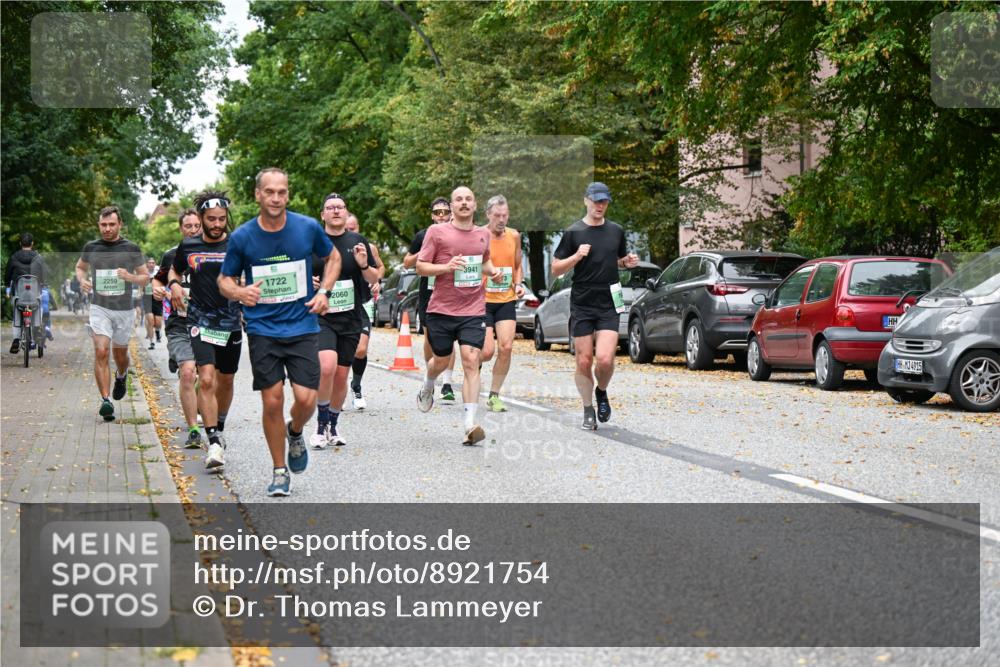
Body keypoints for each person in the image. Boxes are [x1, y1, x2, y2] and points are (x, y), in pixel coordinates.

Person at [219, 168, 339, 496]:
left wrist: (324, 291)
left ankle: (296, 431)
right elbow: (224, 279)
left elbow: (334, 257)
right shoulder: (243, 237)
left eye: (282, 192)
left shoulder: (307, 228)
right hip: (263, 330)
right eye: (269, 192)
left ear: (288, 194)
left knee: (306, 399)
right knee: (272, 401)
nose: (276, 198)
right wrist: (239, 293)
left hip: (302, 325)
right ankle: (279, 470)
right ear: (257, 194)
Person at [415, 186, 503, 445]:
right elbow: (421, 267)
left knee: (471, 359)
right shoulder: (436, 232)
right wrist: (446, 267)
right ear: (451, 206)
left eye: (468, 199)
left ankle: (469, 423)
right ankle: (428, 383)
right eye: (458, 199)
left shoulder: (483, 234)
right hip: (441, 309)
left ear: (475, 206)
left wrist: (493, 271)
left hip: (473, 309)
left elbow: (484, 261)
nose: (464, 203)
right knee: (440, 361)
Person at [551, 182, 638, 430]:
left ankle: (601, 391)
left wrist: (627, 262)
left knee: (605, 359)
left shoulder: (616, 231)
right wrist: (577, 256)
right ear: (586, 201)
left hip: (610, 300)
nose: (600, 205)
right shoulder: (573, 232)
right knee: (583, 360)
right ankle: (588, 409)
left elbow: (618, 260)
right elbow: (556, 268)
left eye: (604, 201)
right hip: (583, 301)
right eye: (596, 201)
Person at [171, 192, 244, 470]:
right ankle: (213, 441)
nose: (217, 224)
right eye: (211, 219)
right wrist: (175, 285)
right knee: (207, 377)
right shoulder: (188, 246)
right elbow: (174, 272)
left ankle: (220, 426)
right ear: (201, 219)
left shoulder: (237, 245)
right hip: (199, 320)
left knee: (226, 381)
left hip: (230, 321)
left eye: (221, 219)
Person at [311, 196, 381, 447]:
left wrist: (364, 265)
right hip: (323, 316)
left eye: (339, 207)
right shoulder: (313, 241)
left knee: (341, 376)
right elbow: (300, 274)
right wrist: (311, 283)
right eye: (330, 208)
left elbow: (373, 276)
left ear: (346, 212)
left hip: (351, 316)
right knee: (326, 367)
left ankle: (333, 425)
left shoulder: (357, 241)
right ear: (323, 215)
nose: (335, 211)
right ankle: (319, 427)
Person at [75, 205, 149, 421]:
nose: (107, 229)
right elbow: (80, 267)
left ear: (120, 225)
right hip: (99, 307)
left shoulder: (131, 248)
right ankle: (106, 401)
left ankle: (122, 374)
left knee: (120, 355)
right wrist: (82, 281)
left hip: (124, 309)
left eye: (111, 224)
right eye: (103, 225)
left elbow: (145, 277)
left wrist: (129, 277)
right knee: (101, 351)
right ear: (99, 225)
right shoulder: (91, 247)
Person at [152, 208, 202, 448]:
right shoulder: (171, 255)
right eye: (188, 226)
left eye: (196, 226)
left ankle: (205, 410)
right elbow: (158, 279)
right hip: (179, 323)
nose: (192, 230)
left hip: (209, 323)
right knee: (188, 372)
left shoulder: (213, 253)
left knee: (207, 375)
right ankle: (193, 428)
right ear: (181, 229)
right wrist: (158, 288)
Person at [403, 197, 459, 401]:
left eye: (445, 212)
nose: (442, 216)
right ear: (432, 215)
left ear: (451, 213)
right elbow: (407, 262)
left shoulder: (459, 234)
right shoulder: (423, 235)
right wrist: (425, 250)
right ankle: (431, 375)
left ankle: (447, 383)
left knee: (450, 335)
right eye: (438, 212)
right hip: (430, 290)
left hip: (453, 291)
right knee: (430, 337)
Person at [480, 195, 525, 412]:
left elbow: (517, 265)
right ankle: (474, 364)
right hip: (482, 300)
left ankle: (494, 395)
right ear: (488, 214)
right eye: (497, 215)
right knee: (487, 352)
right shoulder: (478, 235)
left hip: (506, 299)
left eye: (505, 215)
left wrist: (518, 283)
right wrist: (488, 273)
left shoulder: (514, 235)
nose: (501, 219)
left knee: (506, 347)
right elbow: (469, 265)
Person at [344, 212, 385, 409]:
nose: (350, 232)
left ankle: (356, 386)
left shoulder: (368, 248)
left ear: (358, 228)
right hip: (339, 304)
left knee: (361, 349)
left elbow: (380, 267)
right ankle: (337, 389)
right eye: (347, 228)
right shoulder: (333, 247)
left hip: (362, 302)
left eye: (353, 229)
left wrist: (377, 281)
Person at [5, 232, 48, 353]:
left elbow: (7, 275)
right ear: (32, 243)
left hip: (19, 295)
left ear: (20, 244)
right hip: (34, 295)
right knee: (38, 307)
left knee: (16, 311)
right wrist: (44, 286)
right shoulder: (38, 258)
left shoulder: (13, 257)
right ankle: (37, 331)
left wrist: (8, 288)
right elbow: (45, 274)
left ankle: (16, 339)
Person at [142, 257, 161, 349]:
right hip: (147, 297)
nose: (151, 264)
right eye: (149, 263)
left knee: (158, 322)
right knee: (150, 320)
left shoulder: (159, 270)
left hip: (157, 297)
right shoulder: (143, 272)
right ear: (147, 264)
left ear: (155, 264)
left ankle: (157, 331)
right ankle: (152, 342)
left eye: (153, 263)